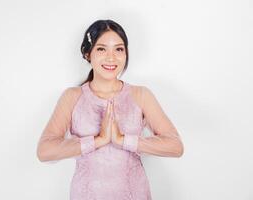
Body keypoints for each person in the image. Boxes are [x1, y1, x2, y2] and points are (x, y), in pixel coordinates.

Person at [37, 19, 184, 200]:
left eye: (119, 49)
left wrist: (123, 140)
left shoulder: (141, 95)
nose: (111, 57)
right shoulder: (72, 97)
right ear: (87, 54)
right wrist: (98, 141)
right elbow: (45, 151)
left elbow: (175, 146)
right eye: (101, 49)